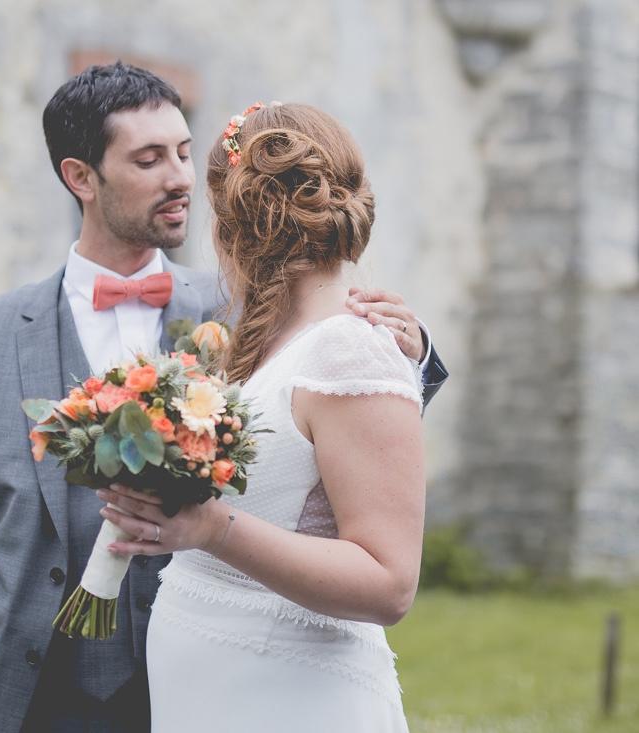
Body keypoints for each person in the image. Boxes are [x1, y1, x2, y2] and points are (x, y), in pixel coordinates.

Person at [0, 64, 447, 732]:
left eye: (187, 153)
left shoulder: (253, 314)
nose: (182, 178)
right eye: (149, 158)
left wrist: (417, 354)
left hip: (209, 690)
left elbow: (351, 441)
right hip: (36, 693)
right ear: (82, 177)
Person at [96, 101, 430, 731]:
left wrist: (213, 529)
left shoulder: (348, 345)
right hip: (211, 690)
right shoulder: (256, 340)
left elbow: (390, 582)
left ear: (234, 222)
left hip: (290, 700)